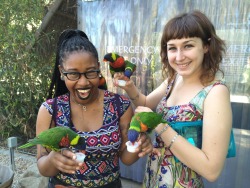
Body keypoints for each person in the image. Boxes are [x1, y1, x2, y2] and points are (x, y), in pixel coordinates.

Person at [114, 10, 232, 187]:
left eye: (188, 46)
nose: (179, 57)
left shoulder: (215, 92)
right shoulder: (173, 79)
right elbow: (146, 103)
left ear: (206, 46)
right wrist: (129, 87)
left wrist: (160, 125)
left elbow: (211, 170)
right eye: (172, 48)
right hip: (153, 178)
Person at [36, 29, 153, 188]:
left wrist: (138, 145)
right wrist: (52, 160)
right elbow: (43, 166)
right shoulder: (50, 110)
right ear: (62, 72)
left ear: (98, 68)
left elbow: (126, 158)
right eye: (73, 74)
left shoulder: (120, 105)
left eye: (90, 72)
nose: (83, 82)